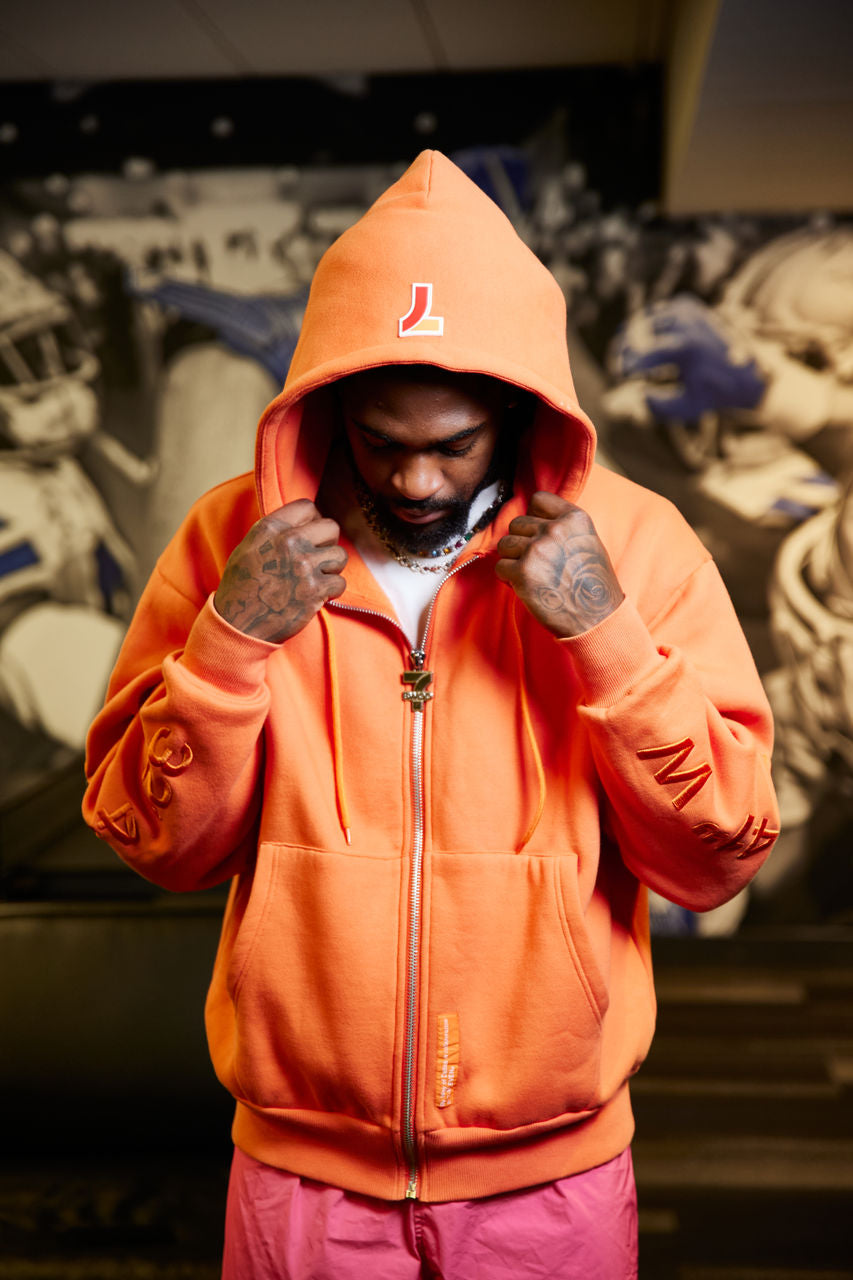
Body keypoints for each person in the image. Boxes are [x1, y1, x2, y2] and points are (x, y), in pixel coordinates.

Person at [83, 151, 779, 1279]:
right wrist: (229, 641)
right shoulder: (230, 544)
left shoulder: (637, 547)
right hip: (301, 1177)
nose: (414, 483)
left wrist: (604, 634)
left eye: (452, 445)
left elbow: (716, 859)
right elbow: (156, 844)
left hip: (550, 1178)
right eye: (381, 440)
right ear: (328, 409)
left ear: (516, 411)